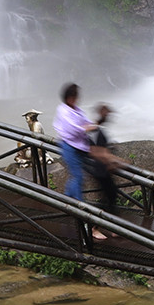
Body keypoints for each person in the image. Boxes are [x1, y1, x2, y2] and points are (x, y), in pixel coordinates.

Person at [86, 103, 127, 239]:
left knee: (111, 198)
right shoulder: (95, 129)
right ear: (103, 114)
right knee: (107, 199)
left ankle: (113, 228)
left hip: (103, 169)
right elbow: (96, 151)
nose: (109, 117)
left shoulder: (97, 128)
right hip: (99, 170)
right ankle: (93, 228)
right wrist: (118, 161)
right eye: (107, 114)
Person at [53, 83, 97, 202]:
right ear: (69, 97)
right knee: (77, 176)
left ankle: (68, 199)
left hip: (79, 146)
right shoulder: (63, 111)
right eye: (76, 96)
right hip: (69, 146)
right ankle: (77, 204)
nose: (78, 99)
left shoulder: (76, 109)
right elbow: (72, 129)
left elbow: (85, 121)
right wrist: (87, 128)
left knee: (79, 175)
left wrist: (92, 125)